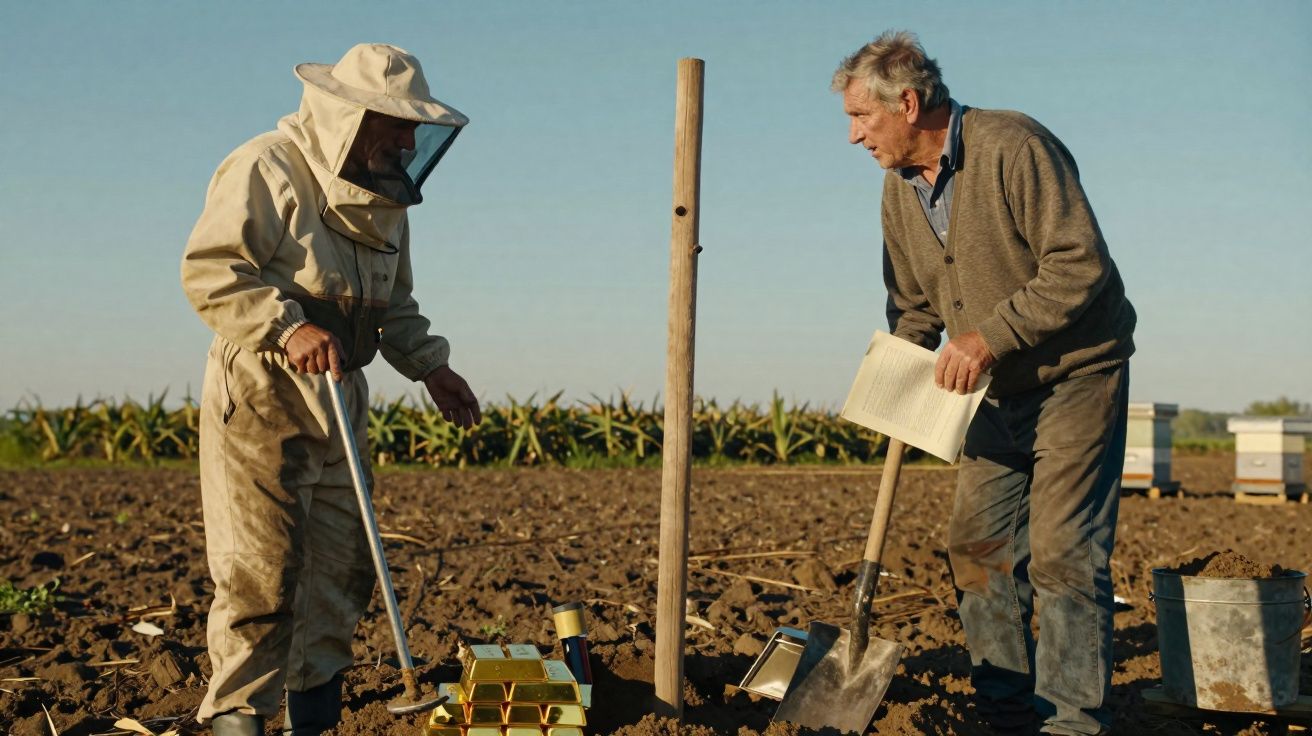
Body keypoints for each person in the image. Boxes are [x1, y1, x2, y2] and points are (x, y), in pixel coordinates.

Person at [833, 31, 1136, 735]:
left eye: (861, 118)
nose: (853, 137)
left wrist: (989, 337)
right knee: (977, 547)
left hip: (1075, 376)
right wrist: (893, 383)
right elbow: (912, 307)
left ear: (907, 104)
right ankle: (1003, 716)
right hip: (994, 394)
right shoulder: (898, 190)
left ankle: (1067, 723)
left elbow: (1077, 265)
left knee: (1064, 555)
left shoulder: (1014, 147)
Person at [180, 44, 482, 736]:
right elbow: (212, 270)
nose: (408, 141)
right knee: (262, 580)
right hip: (263, 399)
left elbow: (392, 306)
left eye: (415, 128)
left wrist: (431, 366)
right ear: (350, 117)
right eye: (397, 124)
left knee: (340, 576)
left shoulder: (385, 200)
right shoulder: (266, 167)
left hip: (341, 398)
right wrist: (285, 329)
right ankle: (240, 721)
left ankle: (311, 724)